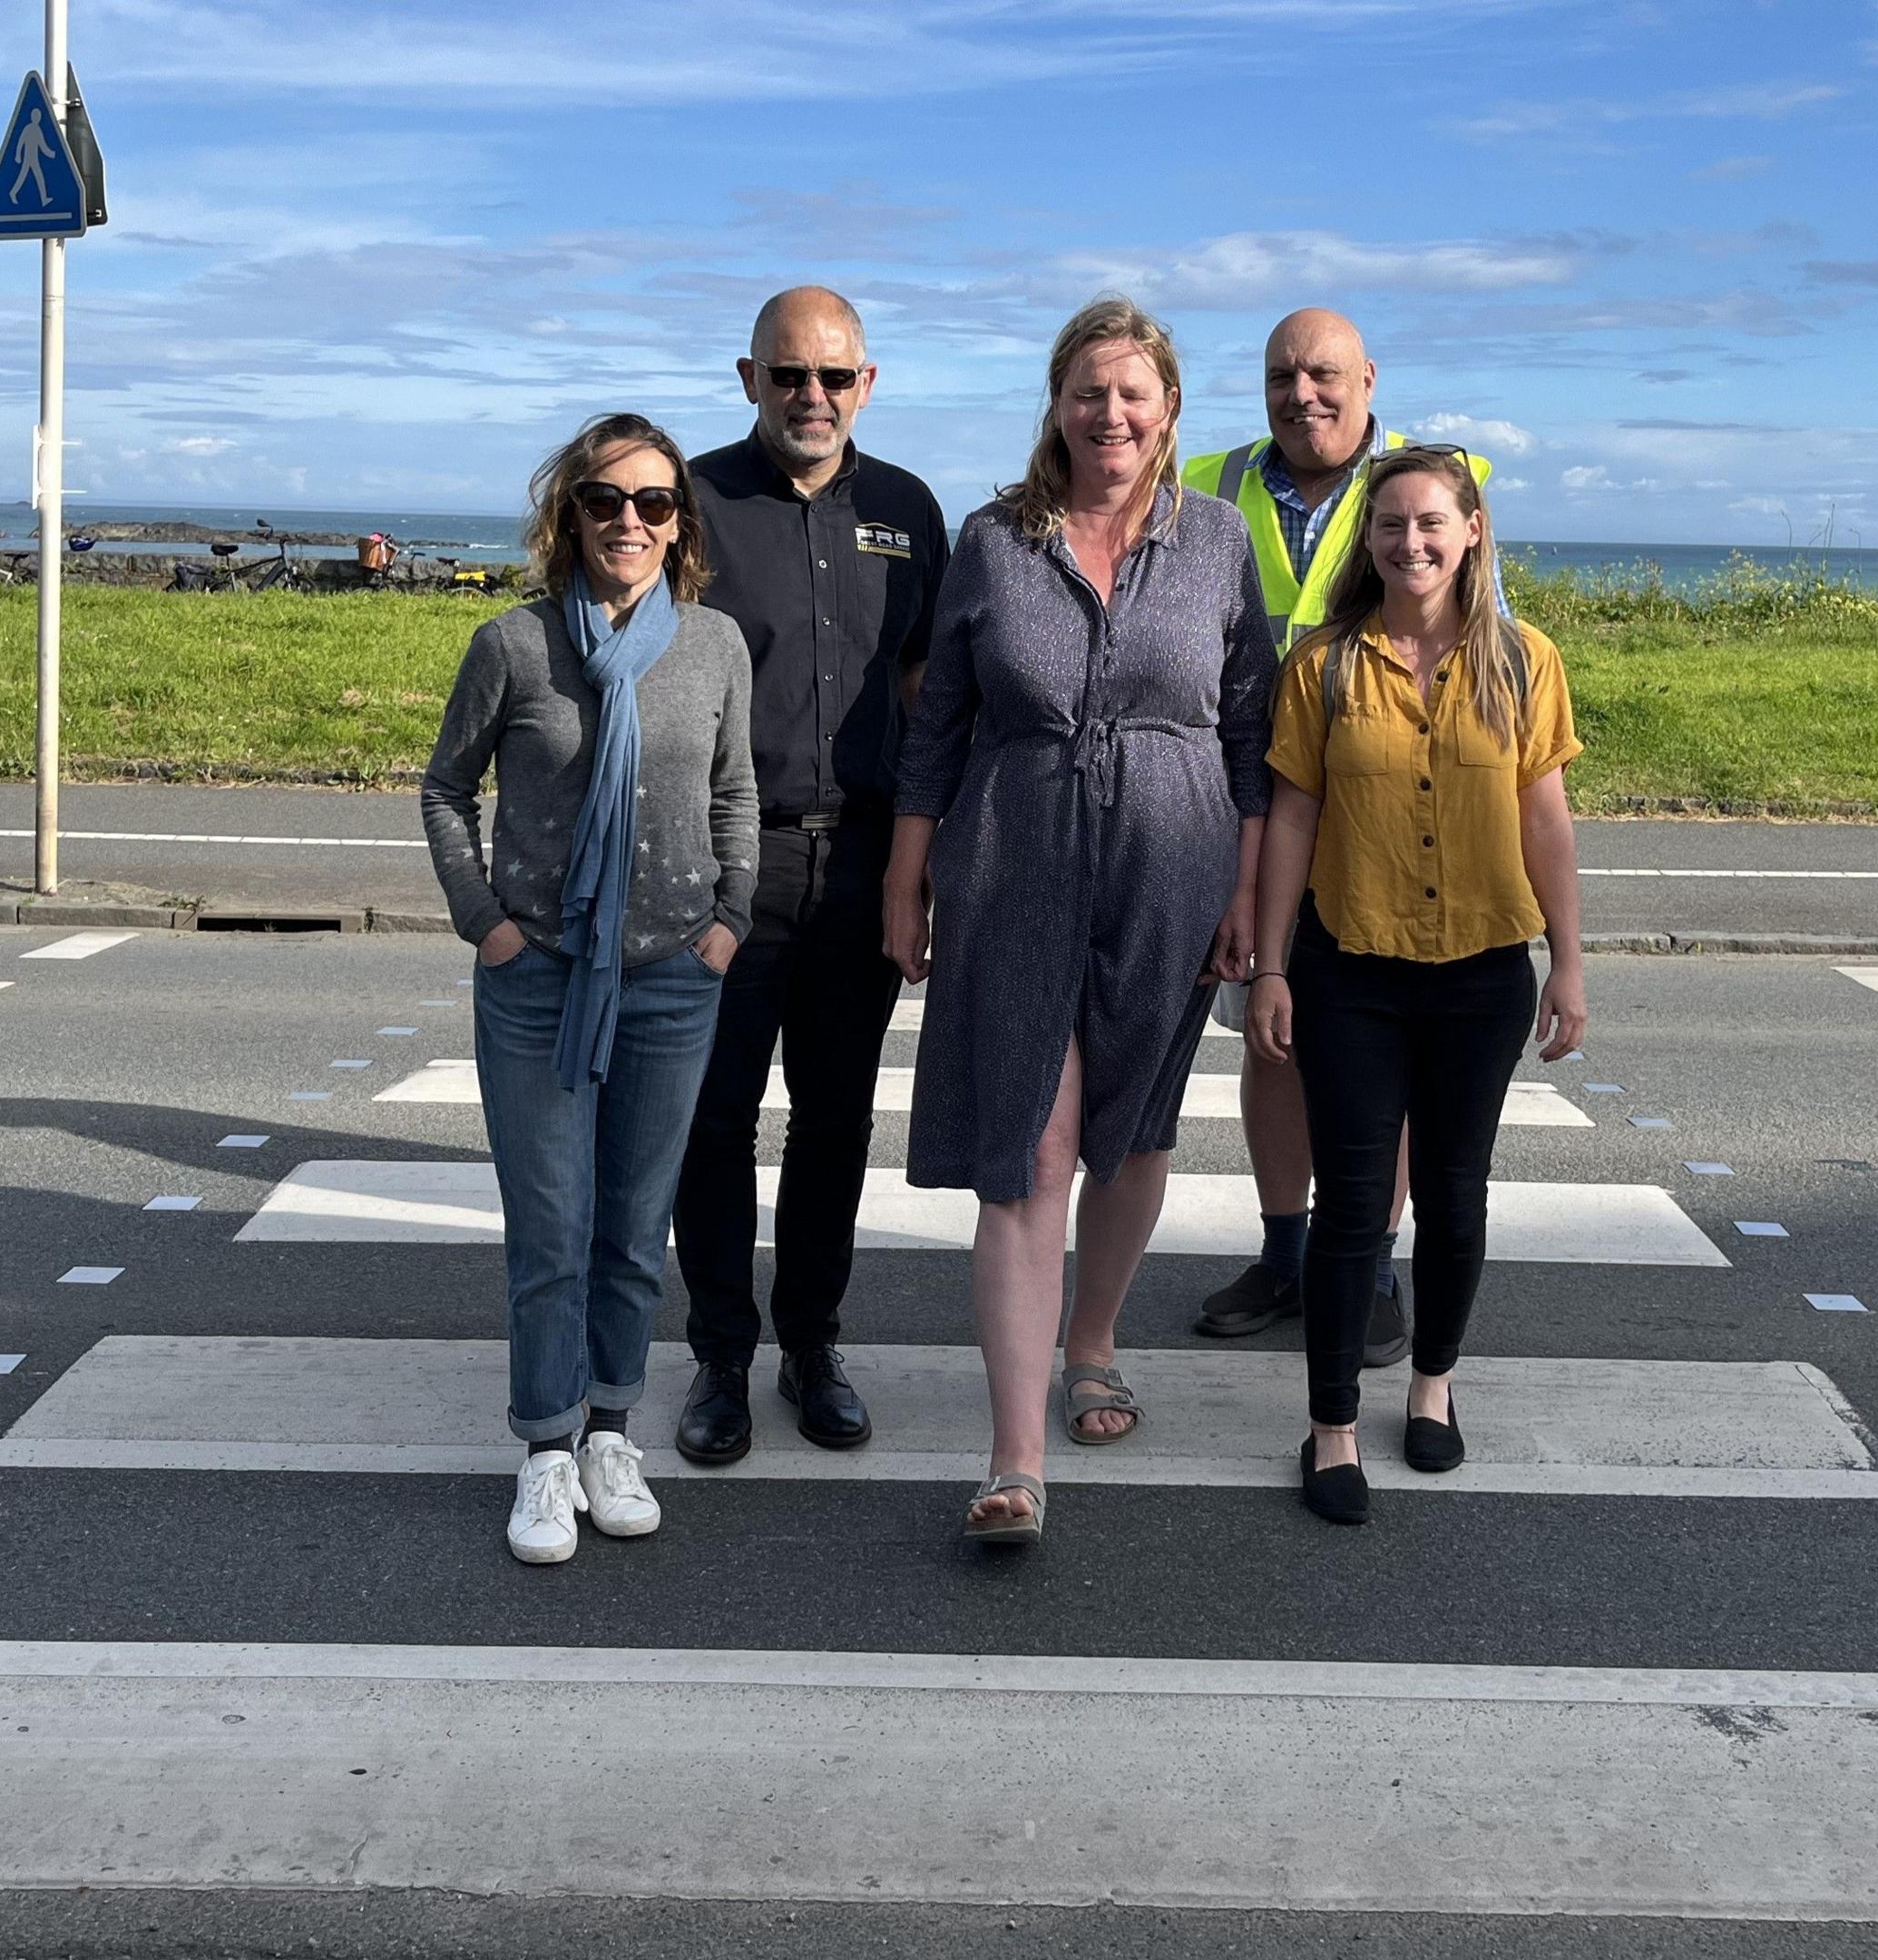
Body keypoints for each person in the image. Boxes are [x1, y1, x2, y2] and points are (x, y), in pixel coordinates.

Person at [885, 297, 1275, 1544]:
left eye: (1134, 393)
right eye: (1088, 392)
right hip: (1012, 864)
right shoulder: (996, 542)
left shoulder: (1217, 540)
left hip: (1175, 865)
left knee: (1136, 1133)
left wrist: (1248, 892)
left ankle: (1092, 1341)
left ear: (1169, 409)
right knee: (1028, 1154)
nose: (1112, 415)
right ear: (1055, 404)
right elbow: (941, 715)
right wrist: (908, 876)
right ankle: (1013, 1456)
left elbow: (1254, 731)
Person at [420, 413, 758, 1565]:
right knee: (552, 1229)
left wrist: (728, 924)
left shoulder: (713, 647)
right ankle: (545, 1450)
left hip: (673, 978)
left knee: (630, 1229)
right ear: (569, 514)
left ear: (680, 525)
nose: (630, 521)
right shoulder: (513, 646)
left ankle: (614, 1427)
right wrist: (488, 925)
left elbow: (735, 795)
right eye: (607, 501)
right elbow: (444, 789)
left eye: (654, 503)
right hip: (539, 981)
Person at [1243, 446, 1584, 1524]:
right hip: (1349, 968)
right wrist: (1267, 964)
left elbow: (1546, 819)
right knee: (1352, 1211)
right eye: (1390, 525)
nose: (1411, 543)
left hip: (1483, 969)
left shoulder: (1525, 661)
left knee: (1455, 1198)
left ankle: (1432, 1385)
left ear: (1473, 530)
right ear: (1368, 542)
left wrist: (1569, 961)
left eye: (1432, 522)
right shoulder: (1326, 667)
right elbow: (1290, 818)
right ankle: (1332, 1425)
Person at [670, 288, 951, 1466]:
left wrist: (922, 869)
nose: (812, 398)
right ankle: (721, 1361)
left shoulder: (906, 510)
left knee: (834, 1121)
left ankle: (812, 1346)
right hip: (726, 863)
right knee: (716, 1121)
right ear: (748, 378)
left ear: (868, 385)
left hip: (866, 864)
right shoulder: (690, 500)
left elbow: (930, 697)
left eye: (835, 377)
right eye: (790, 375)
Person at [1179, 309, 1493, 1362]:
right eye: (1281, 375)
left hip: (1383, 817)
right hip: (1246, 808)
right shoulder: (1209, 484)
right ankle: (1286, 1250)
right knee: (1272, 1038)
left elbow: (1473, 641)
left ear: (1367, 378)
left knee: (1389, 1060)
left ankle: (1369, 1261)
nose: (1301, 393)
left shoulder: (1422, 484)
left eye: (1323, 374)